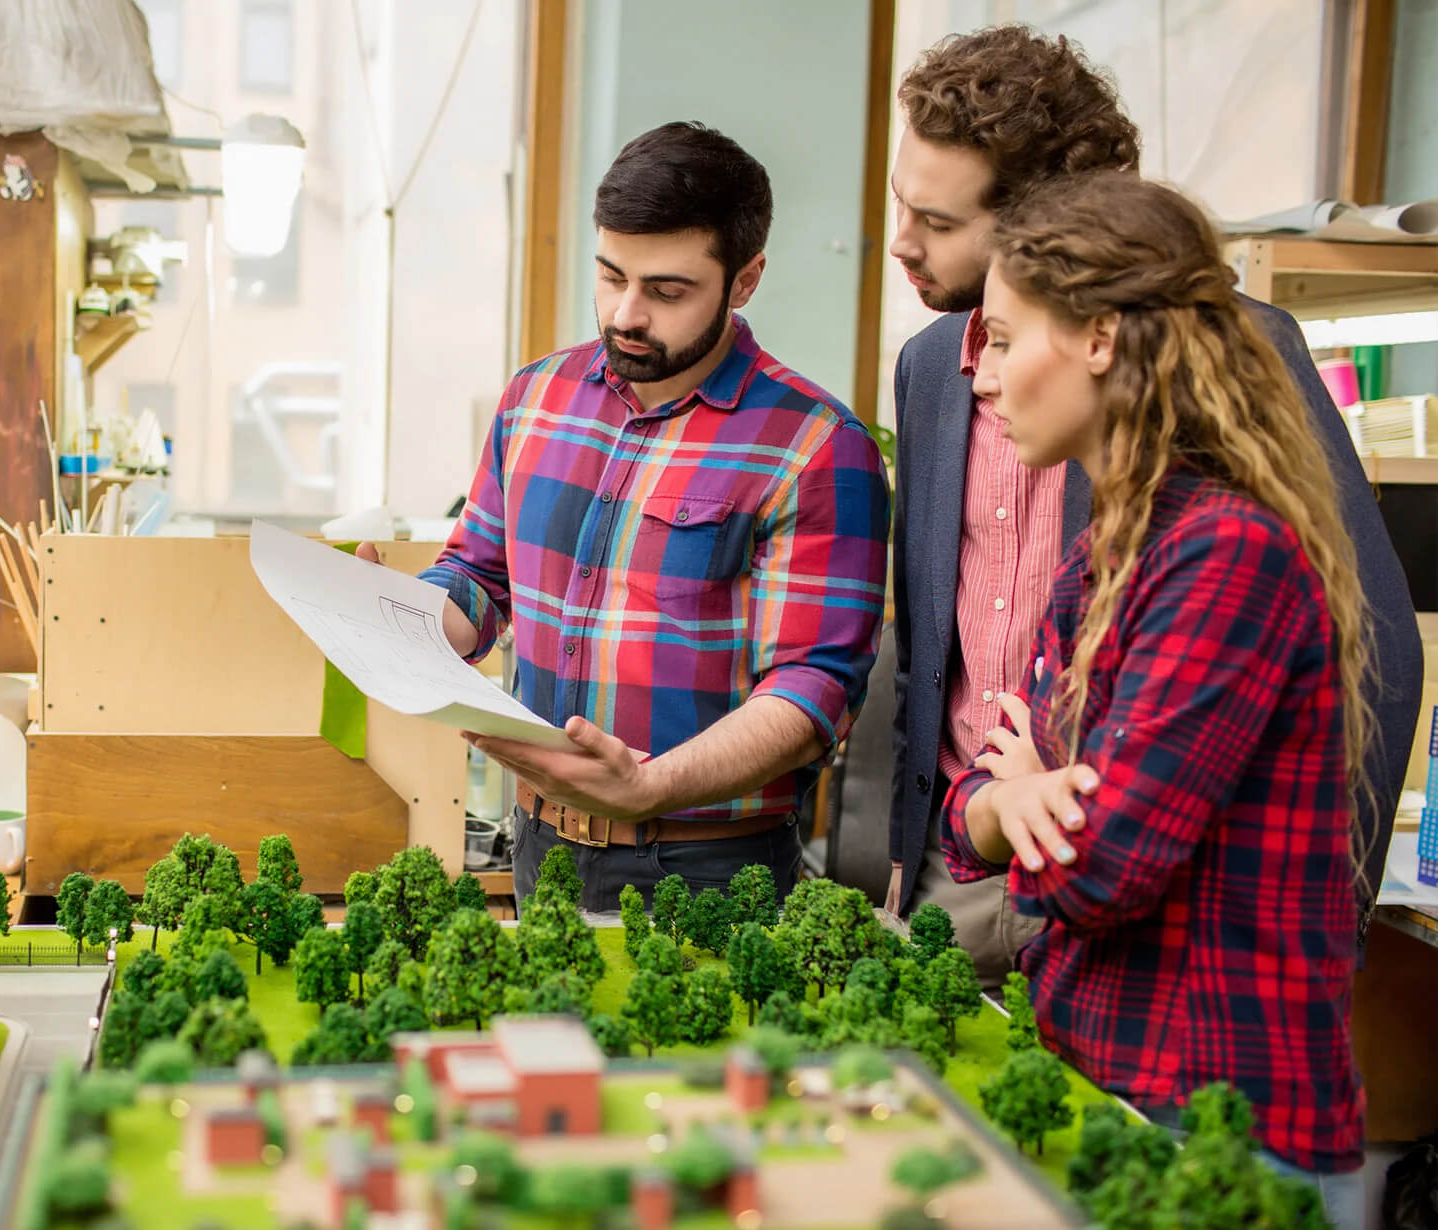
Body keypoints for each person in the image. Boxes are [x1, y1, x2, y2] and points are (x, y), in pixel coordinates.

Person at [885, 25, 1421, 989]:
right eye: (899, 203)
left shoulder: (1223, 354)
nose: (901, 242)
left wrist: (1324, 919)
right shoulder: (929, 367)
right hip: (964, 857)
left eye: (938, 220)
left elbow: (1374, 641)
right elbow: (930, 641)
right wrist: (924, 839)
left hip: (1147, 885)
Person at [942, 171, 1372, 1227]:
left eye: (1004, 339)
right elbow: (979, 810)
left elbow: (1104, 870)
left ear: (1097, 337)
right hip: (1112, 1078)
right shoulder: (1111, 554)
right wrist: (1008, 803)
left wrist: (1023, 803)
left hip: (1216, 1120)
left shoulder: (1225, 553)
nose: (983, 379)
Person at [388, 121, 889, 912]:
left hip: (708, 873)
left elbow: (813, 689)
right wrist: (410, 623)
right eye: (611, 275)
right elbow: (481, 574)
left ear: (746, 278)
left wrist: (649, 786)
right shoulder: (535, 402)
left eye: (667, 291)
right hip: (539, 849)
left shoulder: (816, 447)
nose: (626, 313)